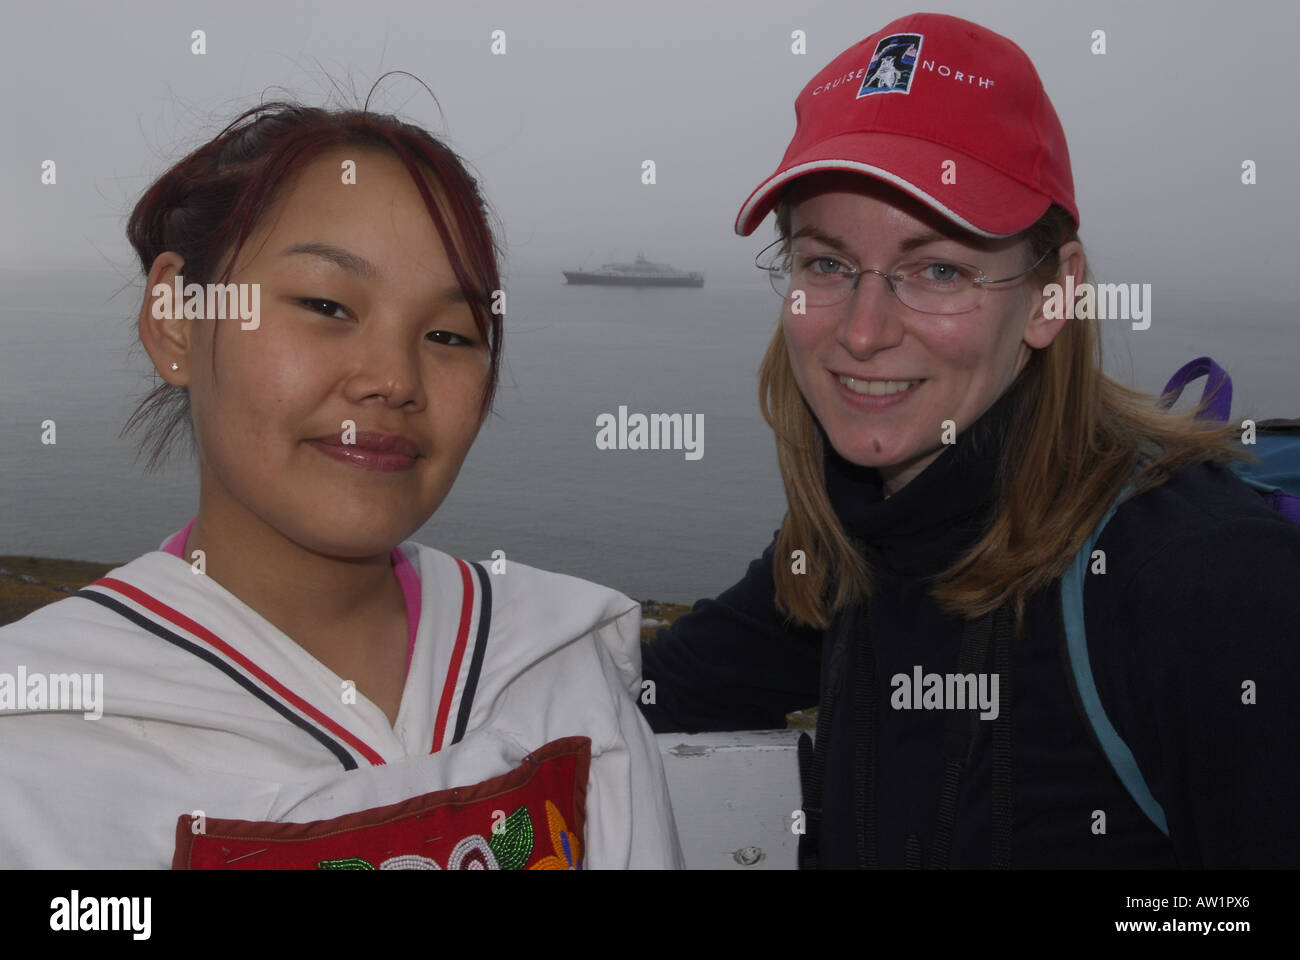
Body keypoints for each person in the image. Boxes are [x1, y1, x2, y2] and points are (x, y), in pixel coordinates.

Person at [640, 12, 1300, 868]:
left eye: (938, 268)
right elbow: (655, 688)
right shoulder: (849, 542)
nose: (864, 331)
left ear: (1052, 295)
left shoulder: (1198, 584)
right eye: (827, 263)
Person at [0, 100, 682, 869]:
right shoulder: (35, 737)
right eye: (326, 305)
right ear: (175, 320)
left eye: (450, 335)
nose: (394, 380)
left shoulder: (558, 666)